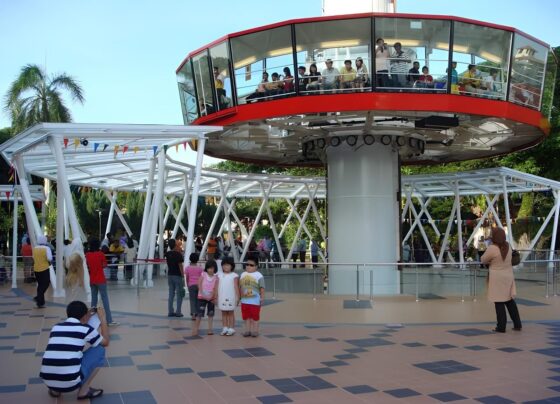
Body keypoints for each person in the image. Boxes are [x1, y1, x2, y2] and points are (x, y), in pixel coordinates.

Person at [40, 301, 109, 400]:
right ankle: (83, 391)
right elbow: (105, 342)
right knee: (100, 350)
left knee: (62, 353)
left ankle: (56, 390)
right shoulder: (85, 329)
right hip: (70, 383)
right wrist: (102, 318)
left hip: (47, 380)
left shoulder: (56, 327)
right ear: (85, 316)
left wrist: (86, 316)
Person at [481, 227, 522, 333]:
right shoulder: (507, 246)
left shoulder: (492, 248)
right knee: (509, 300)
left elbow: (483, 259)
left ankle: (501, 327)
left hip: (496, 278)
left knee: (498, 301)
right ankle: (517, 324)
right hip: (508, 276)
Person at [85, 238, 118, 326]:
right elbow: (104, 265)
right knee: (105, 300)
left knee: (93, 301)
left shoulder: (87, 254)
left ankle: (92, 320)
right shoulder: (100, 254)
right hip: (101, 279)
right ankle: (109, 320)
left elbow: (87, 265)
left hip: (92, 280)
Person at [239, 254, 265, 337]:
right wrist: (239, 297)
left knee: (255, 317)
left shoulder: (259, 276)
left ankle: (255, 331)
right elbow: (240, 286)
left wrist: (262, 298)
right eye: (247, 264)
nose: (248, 266)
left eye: (251, 265)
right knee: (246, 317)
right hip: (244, 301)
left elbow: (262, 288)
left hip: (255, 301)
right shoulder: (243, 274)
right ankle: (247, 330)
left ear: (256, 266)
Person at [192, 260, 219, 336]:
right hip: (202, 297)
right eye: (208, 268)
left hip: (211, 298)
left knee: (210, 314)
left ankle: (210, 329)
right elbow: (199, 284)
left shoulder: (216, 278)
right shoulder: (203, 274)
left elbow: (215, 288)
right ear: (206, 268)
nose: (210, 270)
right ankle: (196, 329)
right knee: (199, 314)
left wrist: (214, 296)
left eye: (212, 268)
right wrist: (202, 293)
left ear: (215, 268)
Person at [218, 256, 239, 336]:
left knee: (230, 312)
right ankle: (225, 327)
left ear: (232, 266)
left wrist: (238, 297)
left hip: (231, 296)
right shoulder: (219, 275)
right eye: (224, 265)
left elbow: (236, 287)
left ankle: (231, 328)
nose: (226, 267)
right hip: (222, 296)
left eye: (228, 265)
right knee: (223, 312)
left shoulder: (234, 275)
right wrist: (215, 295)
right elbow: (217, 286)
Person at [165, 239, 184, 317]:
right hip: (177, 275)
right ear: (175, 245)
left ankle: (170, 311)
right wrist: (183, 275)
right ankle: (178, 312)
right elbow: (180, 265)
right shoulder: (178, 254)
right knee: (179, 294)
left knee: (171, 294)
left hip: (170, 275)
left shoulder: (167, 254)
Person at [33, 235, 53, 308]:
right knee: (46, 283)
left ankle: (40, 302)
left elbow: (33, 257)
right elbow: (50, 258)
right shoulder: (47, 248)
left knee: (40, 284)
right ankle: (38, 298)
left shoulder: (35, 248)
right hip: (44, 268)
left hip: (36, 268)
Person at [185, 253, 203, 321]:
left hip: (191, 285)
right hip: (198, 285)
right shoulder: (200, 269)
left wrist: (187, 284)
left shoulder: (187, 268)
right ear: (197, 260)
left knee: (192, 300)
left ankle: (193, 314)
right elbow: (202, 278)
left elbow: (187, 277)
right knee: (198, 300)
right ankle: (198, 313)